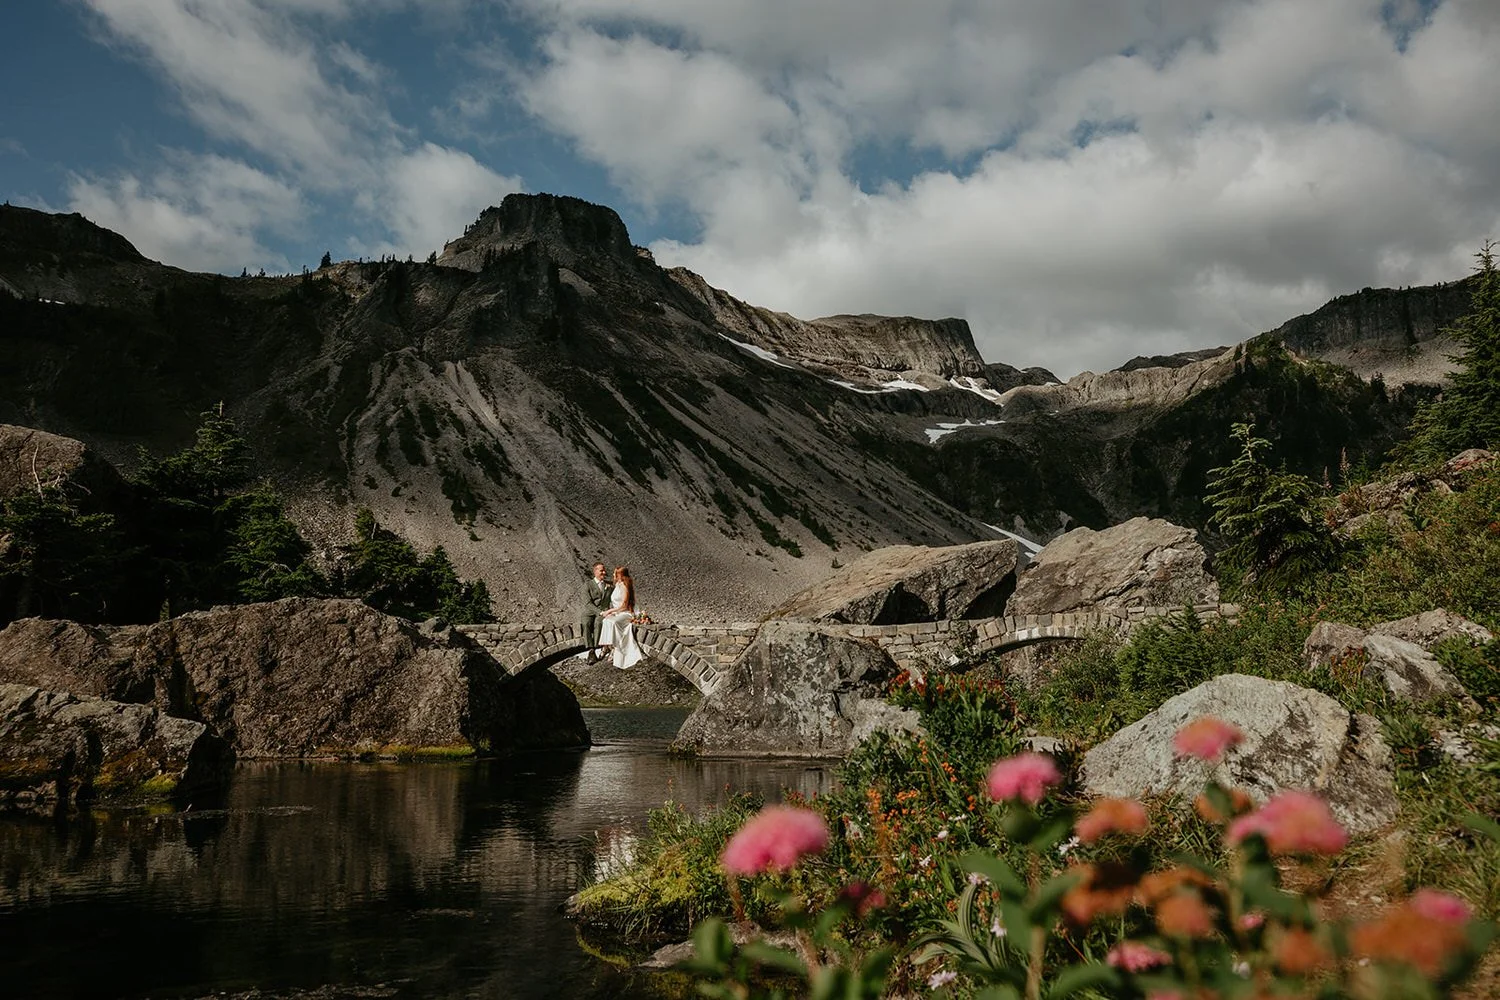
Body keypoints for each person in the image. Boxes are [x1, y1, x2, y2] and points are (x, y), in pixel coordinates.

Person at [597, 565, 644, 670]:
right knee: (606, 621)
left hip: (626, 613)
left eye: (615, 573)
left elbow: (624, 606)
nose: (613, 575)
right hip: (618, 612)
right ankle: (606, 647)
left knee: (613, 622)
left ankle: (615, 647)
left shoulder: (625, 586)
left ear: (620, 575)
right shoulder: (617, 584)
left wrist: (610, 611)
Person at [580, 562, 612, 664]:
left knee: (598, 623)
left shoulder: (610, 585)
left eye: (604, 570)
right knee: (586, 623)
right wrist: (600, 612)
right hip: (590, 611)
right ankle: (591, 649)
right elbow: (587, 603)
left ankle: (594, 649)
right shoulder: (587, 585)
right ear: (595, 571)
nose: (604, 572)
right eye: (601, 570)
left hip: (604, 611)